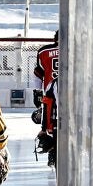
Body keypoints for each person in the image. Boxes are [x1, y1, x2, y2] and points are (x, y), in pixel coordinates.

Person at [32, 31, 60, 167]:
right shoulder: (76, 50)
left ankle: (53, 152)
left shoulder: (44, 51)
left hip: (50, 94)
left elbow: (38, 74)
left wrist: (37, 92)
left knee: (52, 124)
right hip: (70, 93)